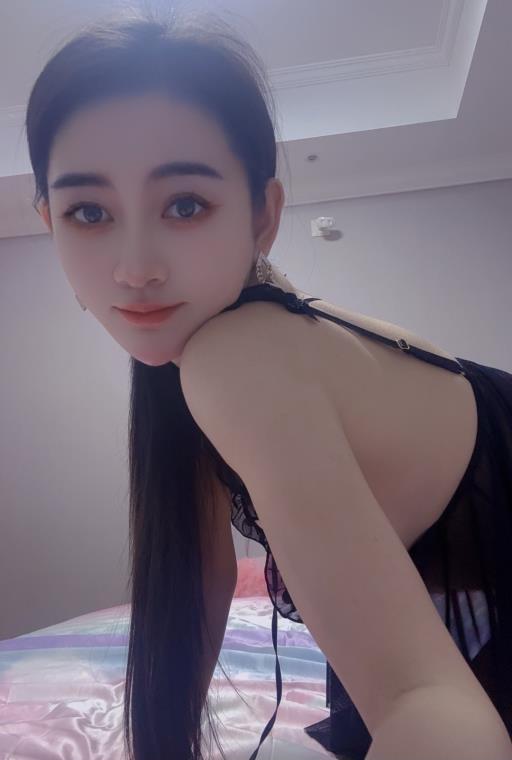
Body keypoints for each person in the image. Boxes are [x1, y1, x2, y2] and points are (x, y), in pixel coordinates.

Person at [26, 5, 512, 760]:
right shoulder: (204, 357)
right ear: (49, 222)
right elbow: (201, 581)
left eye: (185, 204)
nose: (134, 266)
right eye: (89, 211)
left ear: (263, 216)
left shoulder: (238, 360)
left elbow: (429, 703)